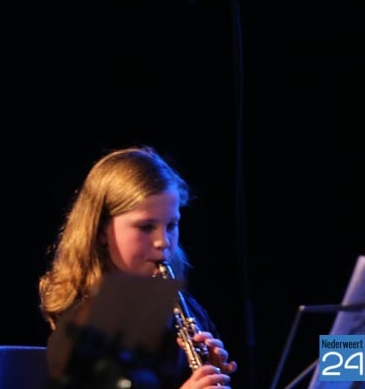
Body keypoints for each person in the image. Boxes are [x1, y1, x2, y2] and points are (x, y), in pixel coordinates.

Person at [38, 146, 239, 389]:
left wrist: (212, 371)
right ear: (101, 231)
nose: (163, 242)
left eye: (171, 225)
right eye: (146, 227)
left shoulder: (188, 313)